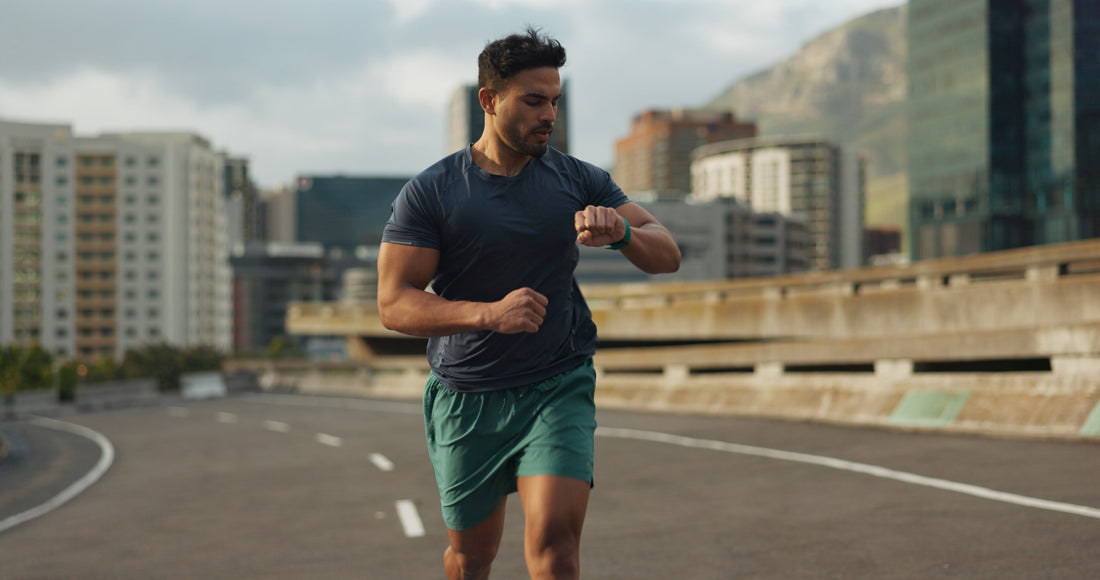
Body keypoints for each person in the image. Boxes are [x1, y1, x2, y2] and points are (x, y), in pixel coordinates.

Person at [377, 26, 681, 580]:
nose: (549, 115)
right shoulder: (432, 191)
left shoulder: (578, 179)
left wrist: (622, 235)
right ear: (490, 101)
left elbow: (666, 253)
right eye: (534, 100)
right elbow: (394, 304)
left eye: (555, 102)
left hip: (557, 383)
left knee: (555, 546)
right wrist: (486, 313)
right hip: (467, 395)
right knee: (472, 558)